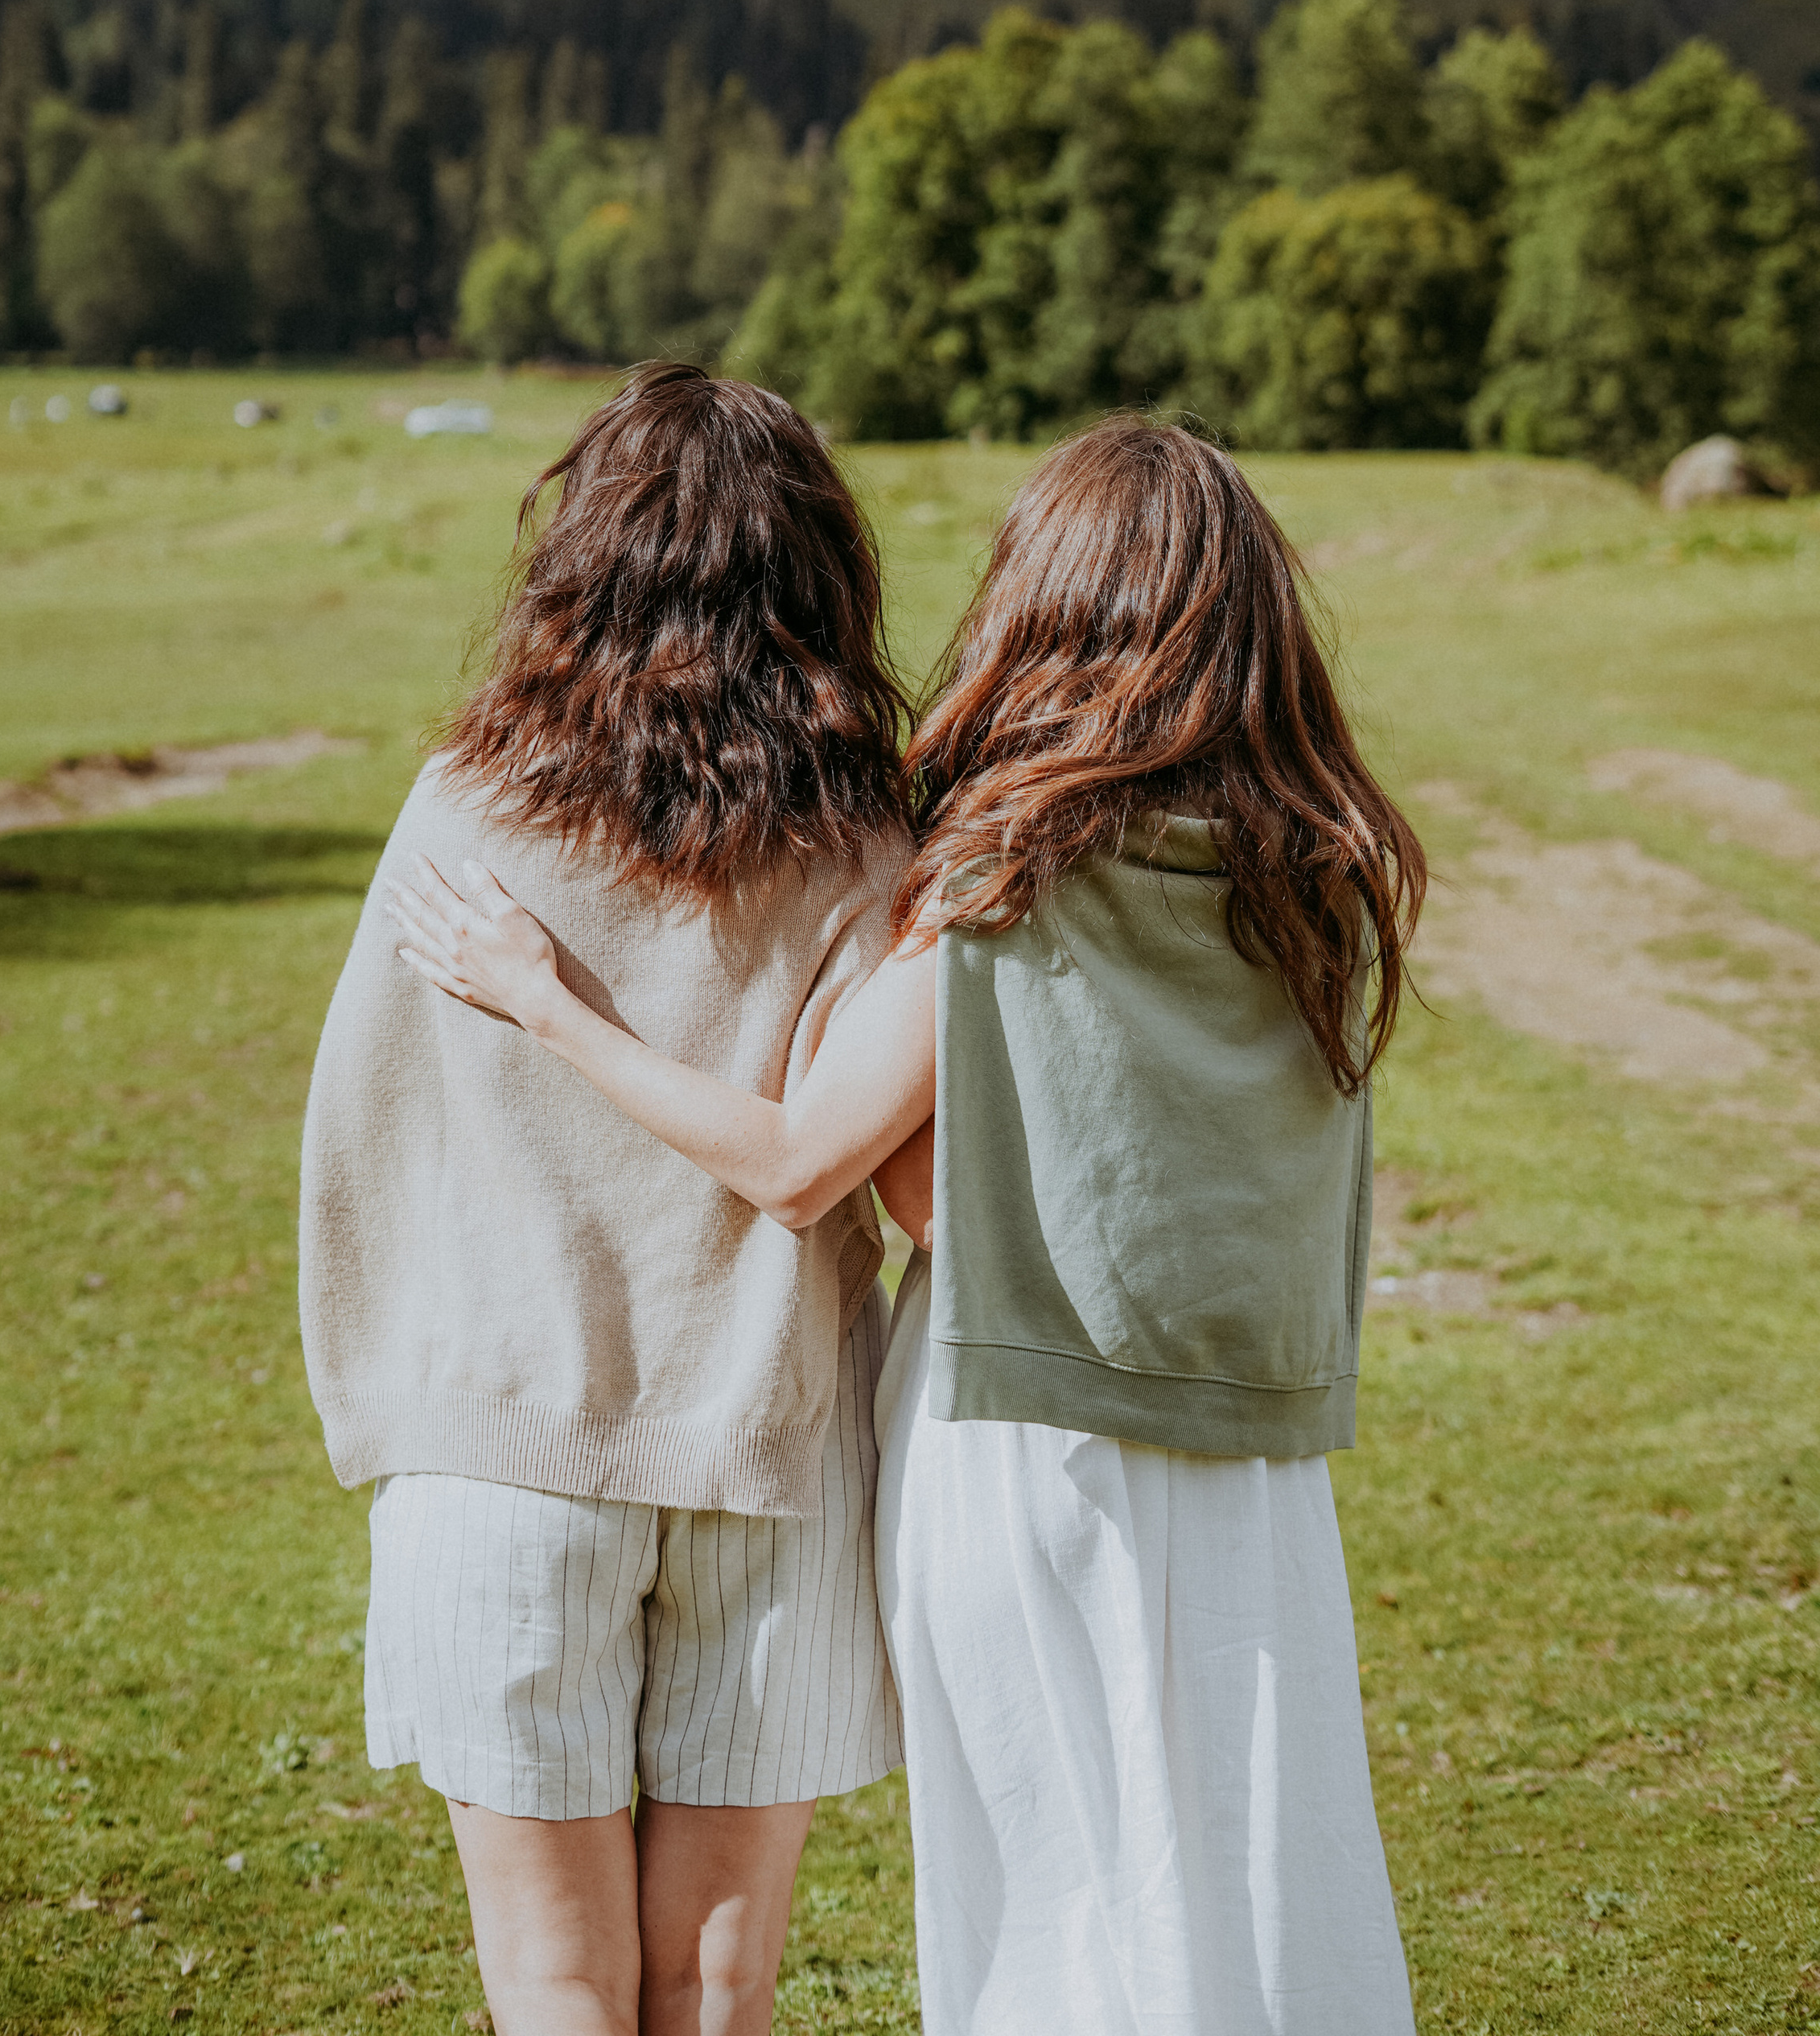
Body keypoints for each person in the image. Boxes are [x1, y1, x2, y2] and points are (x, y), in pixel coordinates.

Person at [389, 415, 1425, 2036]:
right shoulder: (1318, 884)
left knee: (1048, 1901)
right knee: (1237, 1879)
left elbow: (841, 1171)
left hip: (1022, 1444)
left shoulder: (1000, 882)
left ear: (1042, 610)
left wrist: (554, 1006)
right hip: (1256, 1472)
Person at [299, 365, 912, 2036]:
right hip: (762, 1454)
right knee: (720, 1986)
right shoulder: (868, 840)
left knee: (554, 1985)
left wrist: (388, 1392)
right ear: (816, 571)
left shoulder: (467, 809)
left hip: (497, 1446)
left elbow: (360, 1125)